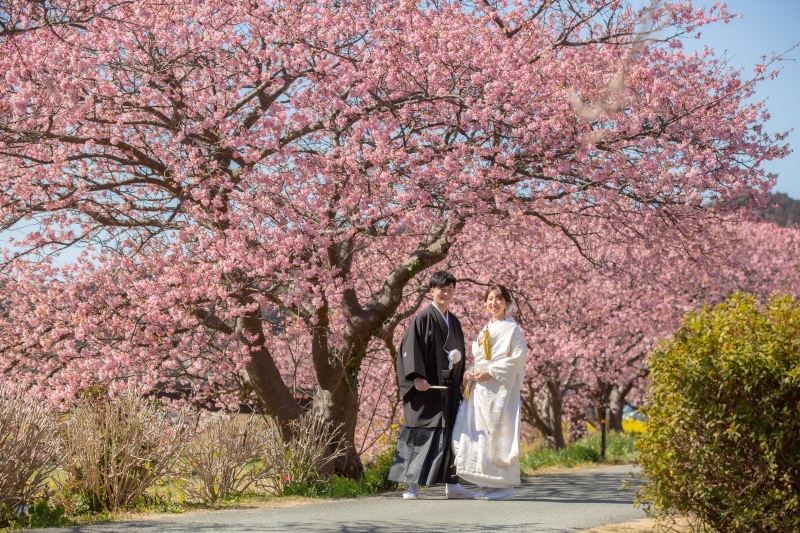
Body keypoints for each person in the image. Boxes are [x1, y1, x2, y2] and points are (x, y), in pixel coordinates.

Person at [388, 271, 475, 500]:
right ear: (431, 291)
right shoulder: (422, 319)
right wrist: (416, 377)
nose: (446, 294)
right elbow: (409, 350)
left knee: (450, 434)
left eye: (450, 290)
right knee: (420, 433)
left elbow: (459, 354)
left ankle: (452, 484)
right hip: (425, 388)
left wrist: (460, 381)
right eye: (442, 290)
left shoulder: (453, 321)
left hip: (447, 388)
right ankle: (412, 486)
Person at [451, 284, 528, 501]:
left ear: (507, 303)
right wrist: (470, 373)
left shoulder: (512, 329)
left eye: (499, 299)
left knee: (498, 433)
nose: (494, 303)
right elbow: (479, 360)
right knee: (480, 434)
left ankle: (505, 486)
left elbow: (518, 358)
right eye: (490, 299)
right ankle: (487, 482)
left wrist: (491, 372)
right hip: (481, 390)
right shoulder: (485, 329)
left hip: (500, 390)